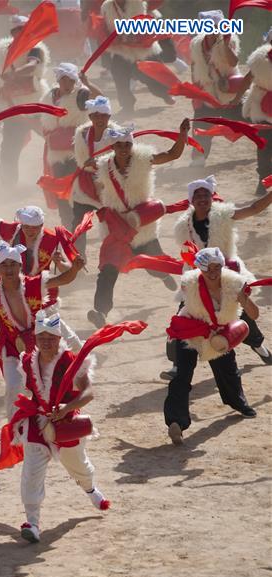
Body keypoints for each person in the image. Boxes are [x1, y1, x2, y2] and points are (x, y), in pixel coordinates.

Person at [10, 310, 110, 543]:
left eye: (51, 337)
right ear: (35, 338)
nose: (46, 342)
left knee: (78, 465)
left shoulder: (71, 362)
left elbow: (88, 393)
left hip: (66, 423)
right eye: (41, 337)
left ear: (59, 338)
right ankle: (32, 523)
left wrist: (66, 408)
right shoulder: (27, 361)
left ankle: (90, 489)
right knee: (31, 472)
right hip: (36, 422)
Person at [162, 178, 272, 378]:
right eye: (198, 195)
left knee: (242, 314)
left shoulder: (224, 215)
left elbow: (255, 208)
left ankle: (258, 346)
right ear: (192, 200)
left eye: (206, 195)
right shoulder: (183, 226)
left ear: (212, 197)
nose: (203, 198)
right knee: (182, 318)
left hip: (226, 275)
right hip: (198, 277)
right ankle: (177, 366)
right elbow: (186, 254)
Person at [87, 120, 189, 327]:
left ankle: (163, 276)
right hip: (116, 230)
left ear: (132, 145)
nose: (124, 149)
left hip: (142, 228)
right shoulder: (104, 166)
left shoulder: (144, 160)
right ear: (113, 146)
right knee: (108, 271)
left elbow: (172, 154)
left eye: (127, 145)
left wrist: (182, 134)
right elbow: (98, 186)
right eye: (119, 145)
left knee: (155, 267)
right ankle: (101, 312)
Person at [163, 248, 260, 446]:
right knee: (182, 375)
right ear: (200, 268)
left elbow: (254, 315)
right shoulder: (189, 283)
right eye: (208, 268)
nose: (213, 272)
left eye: (217, 267)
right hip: (192, 330)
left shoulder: (234, 284)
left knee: (228, 371)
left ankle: (238, 403)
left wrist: (244, 299)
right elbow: (182, 310)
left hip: (218, 334)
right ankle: (176, 423)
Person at [0, 241, 86, 421]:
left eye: (13, 264)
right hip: (12, 347)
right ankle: (15, 430)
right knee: (14, 387)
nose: (9, 269)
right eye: (4, 265)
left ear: (20, 266)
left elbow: (63, 279)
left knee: (50, 384)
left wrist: (74, 269)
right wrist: (13, 341)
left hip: (42, 342)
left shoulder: (35, 284)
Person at [40, 63, 101, 229]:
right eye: (64, 80)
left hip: (78, 153)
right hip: (55, 153)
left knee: (82, 191)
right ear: (59, 80)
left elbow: (102, 100)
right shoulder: (49, 96)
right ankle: (68, 226)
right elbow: (44, 123)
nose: (67, 85)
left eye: (70, 81)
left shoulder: (81, 95)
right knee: (61, 193)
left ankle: (82, 224)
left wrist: (87, 83)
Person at [0, 14, 50, 188]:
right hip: (14, 106)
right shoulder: (5, 50)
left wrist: (14, 75)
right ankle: (7, 186)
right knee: (9, 148)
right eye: (16, 30)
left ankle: (68, 178)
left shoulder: (35, 48)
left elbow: (32, 65)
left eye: (22, 30)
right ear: (12, 32)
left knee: (55, 141)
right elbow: (0, 77)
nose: (19, 33)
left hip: (36, 104)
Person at [99, 0, 173, 115]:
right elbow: (104, 27)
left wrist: (136, 35)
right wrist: (113, 38)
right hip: (122, 49)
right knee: (118, 73)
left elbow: (153, 11)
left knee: (149, 76)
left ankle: (164, 93)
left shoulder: (139, 2)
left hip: (143, 47)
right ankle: (127, 104)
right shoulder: (107, 6)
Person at [188, 10, 242, 167]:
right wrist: (195, 93)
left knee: (248, 122)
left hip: (229, 93)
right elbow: (194, 66)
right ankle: (198, 159)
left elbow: (233, 62)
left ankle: (265, 144)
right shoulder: (196, 44)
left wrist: (225, 45)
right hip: (207, 94)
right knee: (201, 126)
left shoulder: (229, 40)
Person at [69, 96, 118, 253]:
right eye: (95, 116)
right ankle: (78, 259)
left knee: (113, 225)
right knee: (78, 224)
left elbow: (122, 161)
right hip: (86, 185)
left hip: (110, 185)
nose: (99, 119)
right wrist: (92, 166)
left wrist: (99, 165)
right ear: (90, 117)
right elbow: (81, 161)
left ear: (109, 116)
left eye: (103, 116)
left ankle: (113, 258)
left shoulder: (117, 135)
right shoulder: (82, 134)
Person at [0, 205, 69, 285]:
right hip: (11, 283)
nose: (30, 231)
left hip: (37, 286)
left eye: (34, 228)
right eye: (26, 227)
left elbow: (67, 270)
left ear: (41, 226)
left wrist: (59, 263)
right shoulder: (13, 230)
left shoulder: (52, 240)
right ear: (21, 225)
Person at [243, 27, 272, 196]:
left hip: (261, 108)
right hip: (262, 109)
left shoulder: (259, 60)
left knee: (264, 149)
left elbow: (247, 79)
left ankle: (263, 183)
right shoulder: (260, 60)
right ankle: (263, 183)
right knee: (263, 148)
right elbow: (248, 78)